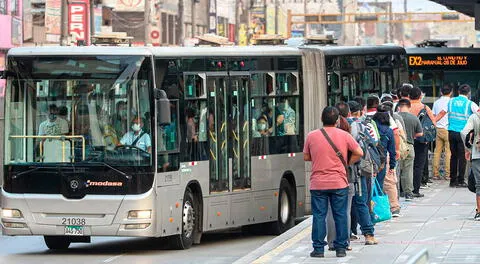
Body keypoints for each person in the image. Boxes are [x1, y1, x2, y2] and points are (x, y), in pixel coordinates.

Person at [304, 106, 363, 258]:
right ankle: (341, 248)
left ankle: (318, 249)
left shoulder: (311, 136)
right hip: (339, 182)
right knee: (341, 214)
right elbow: (359, 152)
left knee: (319, 215)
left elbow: (306, 157)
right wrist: (347, 162)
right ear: (337, 121)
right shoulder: (344, 135)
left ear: (321, 119)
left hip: (318, 183)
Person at [347, 101, 378, 245]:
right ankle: (368, 233)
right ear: (358, 112)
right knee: (361, 201)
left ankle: (349, 232)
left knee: (343, 204)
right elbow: (373, 143)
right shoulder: (362, 126)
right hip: (358, 170)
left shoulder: (339, 127)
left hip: (340, 171)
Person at [448, 84, 479, 188]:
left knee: (453, 156)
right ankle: (461, 180)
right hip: (463, 133)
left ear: (458, 92)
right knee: (462, 157)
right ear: (469, 93)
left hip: (451, 132)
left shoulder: (451, 101)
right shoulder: (470, 103)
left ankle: (452, 181)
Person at [408, 87, 436, 197]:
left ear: (409, 96)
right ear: (420, 96)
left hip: (407, 139)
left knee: (407, 165)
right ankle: (416, 189)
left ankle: (406, 189)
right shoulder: (425, 107)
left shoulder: (405, 107)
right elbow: (433, 122)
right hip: (421, 140)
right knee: (418, 165)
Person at [397, 99, 423, 201]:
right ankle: (408, 192)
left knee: (396, 169)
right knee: (408, 170)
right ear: (409, 106)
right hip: (409, 146)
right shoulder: (414, 118)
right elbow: (420, 133)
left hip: (397, 146)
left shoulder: (395, 116)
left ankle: (397, 191)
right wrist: (412, 136)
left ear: (399, 106)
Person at [461, 111, 480, 221]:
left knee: (479, 184)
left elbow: (464, 132)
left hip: (477, 153)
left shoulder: (474, 117)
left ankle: (479, 211)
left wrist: (468, 147)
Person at [432, 85, 453, 180]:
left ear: (441, 92)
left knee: (437, 152)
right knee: (448, 152)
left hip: (438, 129)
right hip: (447, 128)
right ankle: (448, 174)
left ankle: (435, 174)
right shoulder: (451, 102)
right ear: (451, 92)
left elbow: (433, 115)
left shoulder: (436, 102)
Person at [372, 111, 396, 190]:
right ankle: (377, 200)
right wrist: (392, 165)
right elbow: (392, 150)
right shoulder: (389, 131)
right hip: (382, 160)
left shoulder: (372, 129)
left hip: (371, 159)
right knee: (379, 183)